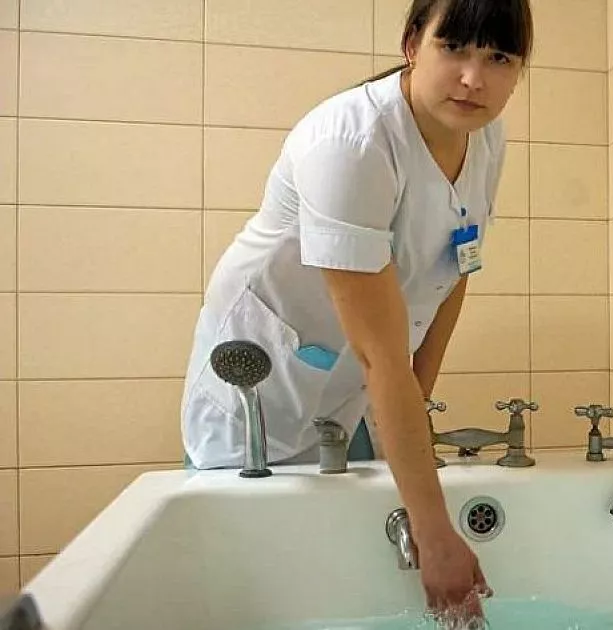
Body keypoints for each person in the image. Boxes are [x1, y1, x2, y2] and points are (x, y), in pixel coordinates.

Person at [178, 0, 533, 623]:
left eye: (499, 57)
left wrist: (417, 405)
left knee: (354, 576)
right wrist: (436, 535)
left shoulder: (485, 136)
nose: (473, 79)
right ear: (412, 44)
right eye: (454, 48)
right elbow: (379, 355)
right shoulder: (351, 141)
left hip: (365, 375)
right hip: (268, 378)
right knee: (264, 588)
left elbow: (456, 268)